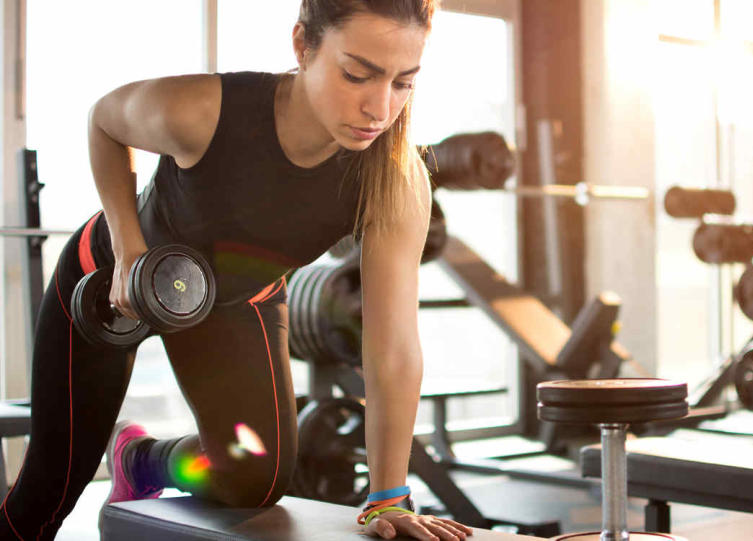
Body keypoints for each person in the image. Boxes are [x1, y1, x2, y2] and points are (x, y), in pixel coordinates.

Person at [0, 1, 473, 540]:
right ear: (302, 46)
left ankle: (143, 462)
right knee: (49, 491)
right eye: (357, 75)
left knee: (256, 477)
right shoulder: (205, 108)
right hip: (113, 279)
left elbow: (391, 345)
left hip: (232, 300)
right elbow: (105, 120)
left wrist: (388, 498)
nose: (379, 108)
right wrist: (129, 251)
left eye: (402, 83)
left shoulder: (393, 177)